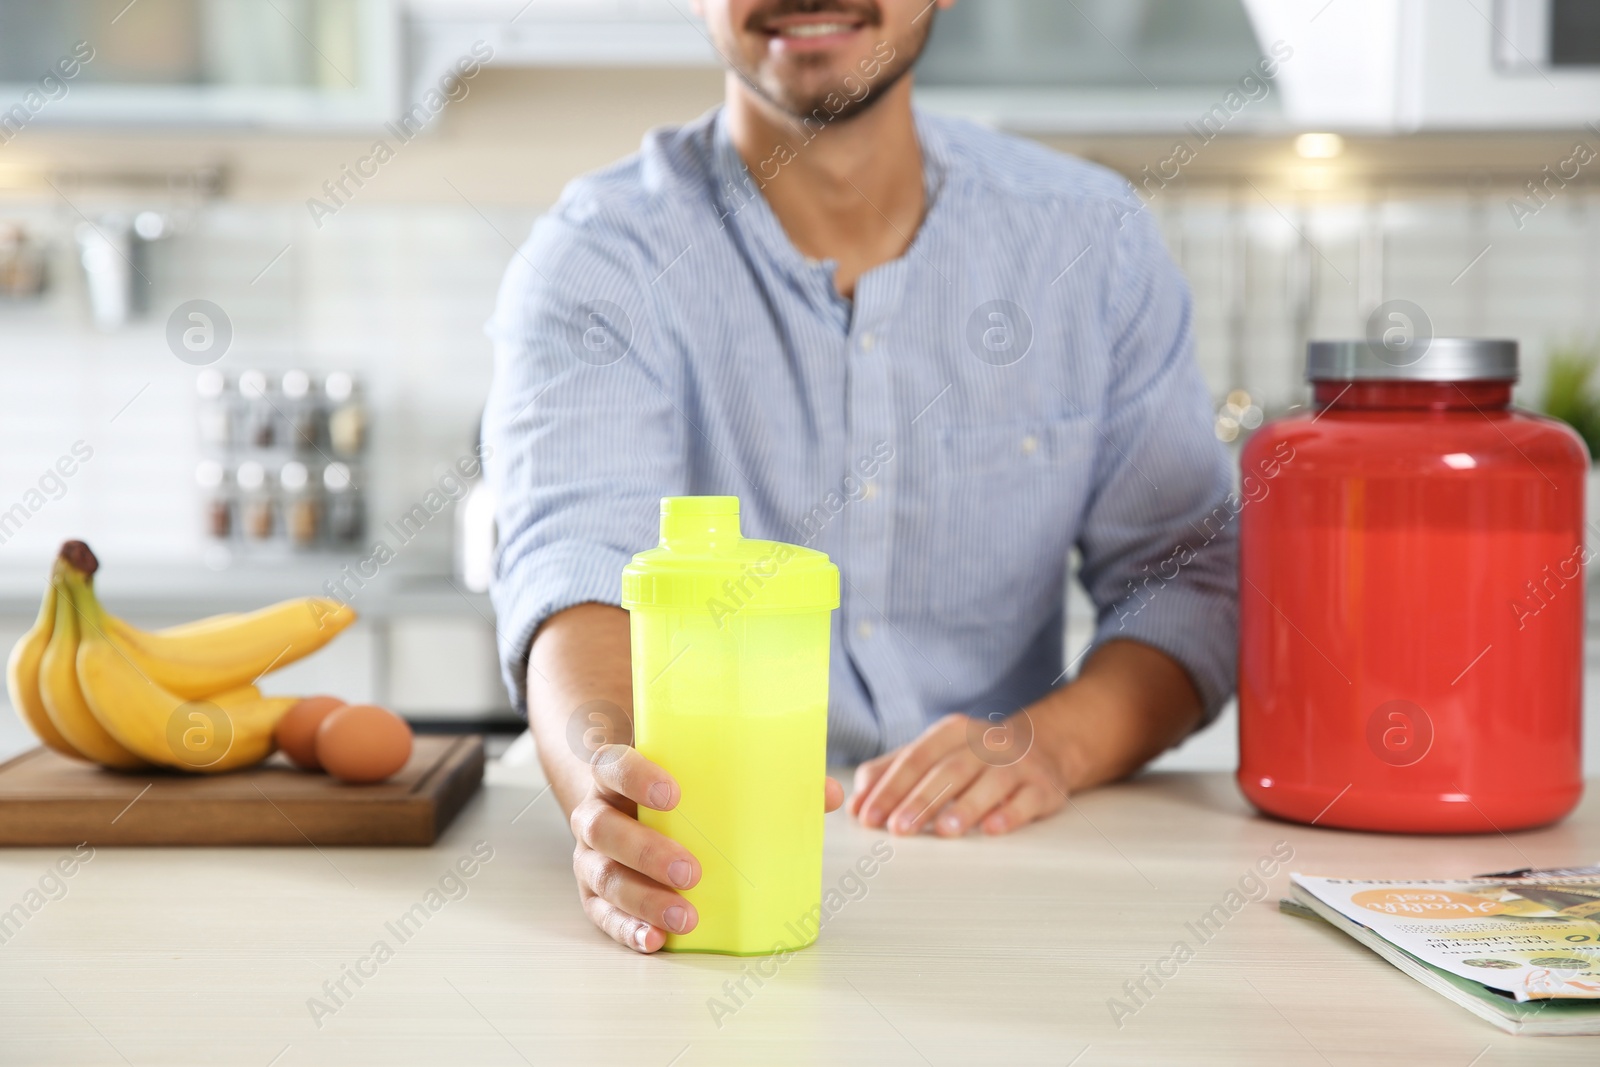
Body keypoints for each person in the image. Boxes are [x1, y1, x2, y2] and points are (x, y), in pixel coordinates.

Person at [483, 0, 1237, 954]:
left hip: (1008, 885)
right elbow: (575, 563)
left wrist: (1051, 744)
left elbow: (1188, 575)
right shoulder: (598, 256)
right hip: (708, 883)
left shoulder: (1091, 243)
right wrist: (611, 783)